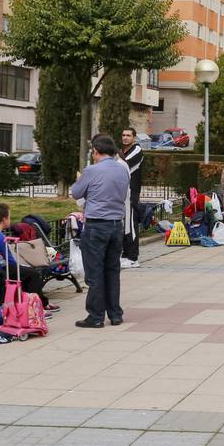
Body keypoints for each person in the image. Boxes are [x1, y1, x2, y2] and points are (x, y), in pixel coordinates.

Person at [70, 134, 130, 328]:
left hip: (96, 225)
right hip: (116, 225)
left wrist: (81, 180)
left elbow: (76, 193)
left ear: (96, 151)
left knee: (95, 272)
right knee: (112, 270)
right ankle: (115, 314)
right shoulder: (123, 170)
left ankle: (95, 316)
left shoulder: (91, 170)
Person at [0, 202, 55, 313]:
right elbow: (10, 259)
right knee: (33, 274)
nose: (10, 220)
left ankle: (41, 303)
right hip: (0, 271)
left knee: (27, 273)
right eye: (9, 217)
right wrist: (21, 266)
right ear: (4, 219)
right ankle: (34, 308)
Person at [119, 127, 143, 269]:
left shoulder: (137, 150)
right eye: (123, 135)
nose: (125, 137)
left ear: (134, 137)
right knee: (124, 225)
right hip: (122, 193)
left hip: (131, 193)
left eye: (128, 135)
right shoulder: (122, 151)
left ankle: (133, 257)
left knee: (131, 225)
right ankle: (125, 255)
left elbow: (124, 166)